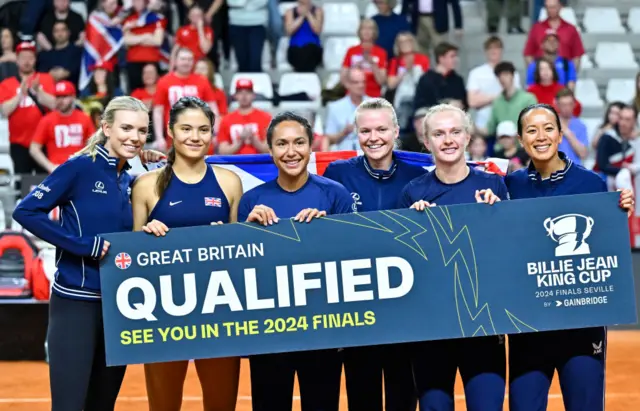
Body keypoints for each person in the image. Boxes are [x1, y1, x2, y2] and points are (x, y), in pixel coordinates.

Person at [11, 96, 164, 411]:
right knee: (70, 405)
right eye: (126, 128)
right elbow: (26, 212)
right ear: (106, 127)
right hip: (75, 304)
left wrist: (159, 172)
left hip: (120, 308)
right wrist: (82, 244)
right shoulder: (80, 167)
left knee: (102, 404)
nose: (134, 137)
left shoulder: (131, 180)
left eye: (141, 131)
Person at [505, 103, 634, 411]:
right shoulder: (510, 186)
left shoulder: (591, 184)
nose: (541, 136)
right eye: (531, 130)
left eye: (548, 128)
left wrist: (619, 210)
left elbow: (605, 244)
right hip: (528, 328)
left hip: (580, 327)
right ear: (521, 140)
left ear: (561, 135)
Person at [131, 96, 243, 411]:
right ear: (170, 132)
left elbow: (244, 254)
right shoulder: (146, 185)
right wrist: (145, 238)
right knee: (163, 406)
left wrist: (229, 241)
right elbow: (130, 260)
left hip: (219, 311)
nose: (195, 137)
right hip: (163, 312)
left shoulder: (230, 183)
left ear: (213, 133)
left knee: (222, 405)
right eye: (186, 129)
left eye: (203, 129)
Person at [238, 111, 355, 411]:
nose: (291, 152)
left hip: (322, 328)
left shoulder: (335, 194)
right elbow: (241, 268)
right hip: (269, 332)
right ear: (270, 150)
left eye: (299, 142)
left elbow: (351, 258)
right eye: (282, 144)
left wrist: (329, 230)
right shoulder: (251, 200)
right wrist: (248, 230)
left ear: (311, 146)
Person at [398, 103, 507, 411]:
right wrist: (415, 226)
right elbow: (404, 264)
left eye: (455, 132)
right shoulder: (412, 193)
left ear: (468, 137)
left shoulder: (493, 186)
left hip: (483, 325)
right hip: (432, 328)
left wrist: (498, 215)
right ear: (426, 141)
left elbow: (509, 252)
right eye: (438, 133)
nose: (448, 140)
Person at [323, 97, 424, 411]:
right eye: (365, 131)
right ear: (356, 133)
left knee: (403, 394)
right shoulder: (337, 173)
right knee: (362, 394)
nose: (374, 137)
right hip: (358, 308)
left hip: (405, 306)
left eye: (381, 129)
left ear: (396, 131)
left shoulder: (417, 176)